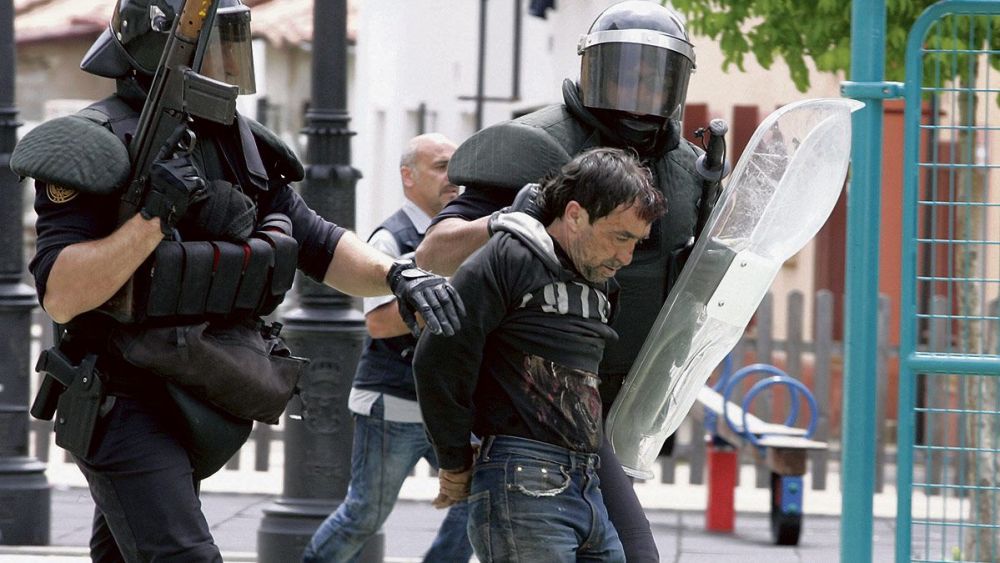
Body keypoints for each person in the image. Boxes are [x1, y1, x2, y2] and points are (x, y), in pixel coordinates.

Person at [10, 2, 464, 562]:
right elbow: (61, 296)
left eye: (234, 39)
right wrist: (151, 218)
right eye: (219, 41)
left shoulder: (237, 142)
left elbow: (319, 242)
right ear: (162, 46)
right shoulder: (91, 143)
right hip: (122, 399)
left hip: (200, 389)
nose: (232, 58)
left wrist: (399, 273)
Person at [414, 3, 719, 560]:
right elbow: (433, 255)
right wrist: (510, 217)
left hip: (610, 408)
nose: (637, 92)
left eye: (653, 76)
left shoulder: (689, 170)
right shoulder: (531, 146)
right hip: (528, 415)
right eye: (624, 72)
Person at [413, 147, 667, 562]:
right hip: (523, 476)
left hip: (586, 472)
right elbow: (439, 358)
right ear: (575, 215)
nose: (626, 257)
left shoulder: (602, 280)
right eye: (620, 237)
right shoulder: (509, 256)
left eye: (636, 243)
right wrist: (453, 459)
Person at [303, 133, 473, 563]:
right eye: (441, 166)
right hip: (392, 405)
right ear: (408, 177)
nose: (452, 177)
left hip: (447, 405)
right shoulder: (390, 238)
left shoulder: (461, 234)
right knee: (364, 515)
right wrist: (446, 298)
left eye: (455, 166)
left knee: (479, 499)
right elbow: (378, 323)